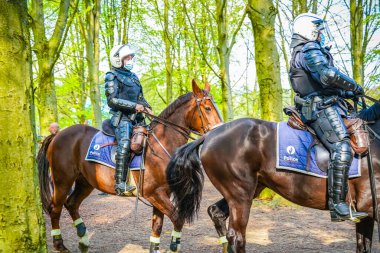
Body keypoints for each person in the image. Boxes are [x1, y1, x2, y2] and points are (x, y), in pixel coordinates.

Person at [289, 13, 367, 221]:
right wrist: (355, 86)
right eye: (319, 29)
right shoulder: (309, 49)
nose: (322, 33)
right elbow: (329, 76)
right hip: (319, 108)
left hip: (327, 103)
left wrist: (348, 93)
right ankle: (338, 205)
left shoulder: (307, 50)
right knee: (342, 146)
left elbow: (324, 84)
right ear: (309, 29)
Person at [105, 44, 152, 196]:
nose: (130, 60)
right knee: (125, 143)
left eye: (131, 57)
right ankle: (120, 184)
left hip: (137, 118)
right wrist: (134, 106)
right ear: (118, 59)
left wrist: (147, 107)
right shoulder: (111, 75)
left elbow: (140, 98)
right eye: (127, 57)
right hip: (122, 117)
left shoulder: (134, 77)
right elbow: (112, 101)